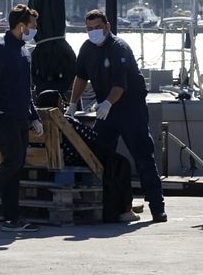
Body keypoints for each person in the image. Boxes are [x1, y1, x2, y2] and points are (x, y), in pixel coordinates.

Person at [67, 9, 167, 223]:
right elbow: (81, 77)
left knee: (143, 156)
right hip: (106, 109)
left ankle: (157, 208)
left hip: (130, 108)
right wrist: (73, 104)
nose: (93, 32)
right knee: (98, 153)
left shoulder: (118, 48)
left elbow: (120, 85)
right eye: (89, 28)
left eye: (97, 28)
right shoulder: (87, 48)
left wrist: (107, 103)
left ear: (107, 27)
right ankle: (109, 204)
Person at [0, 4, 43, 232]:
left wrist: (34, 116)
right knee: (12, 160)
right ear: (22, 26)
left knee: (16, 165)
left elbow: (26, 89)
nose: (34, 30)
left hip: (21, 117)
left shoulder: (24, 51)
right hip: (3, 116)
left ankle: (12, 217)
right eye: (32, 26)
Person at [34, 90, 137, 223]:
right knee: (122, 163)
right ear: (53, 105)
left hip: (49, 159)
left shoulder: (36, 122)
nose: (63, 104)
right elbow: (91, 135)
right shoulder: (65, 121)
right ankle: (125, 210)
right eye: (60, 101)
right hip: (77, 158)